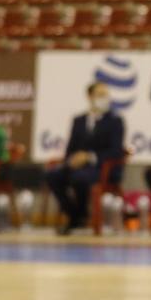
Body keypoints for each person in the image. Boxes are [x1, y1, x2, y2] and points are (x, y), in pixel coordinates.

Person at [46, 82, 126, 235]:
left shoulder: (115, 121)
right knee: (52, 175)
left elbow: (116, 151)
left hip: (101, 168)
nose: (105, 98)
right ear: (90, 97)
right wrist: (73, 159)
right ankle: (75, 214)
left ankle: (78, 217)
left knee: (79, 178)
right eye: (100, 95)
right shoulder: (79, 120)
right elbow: (70, 149)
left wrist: (89, 157)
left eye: (106, 95)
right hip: (77, 166)